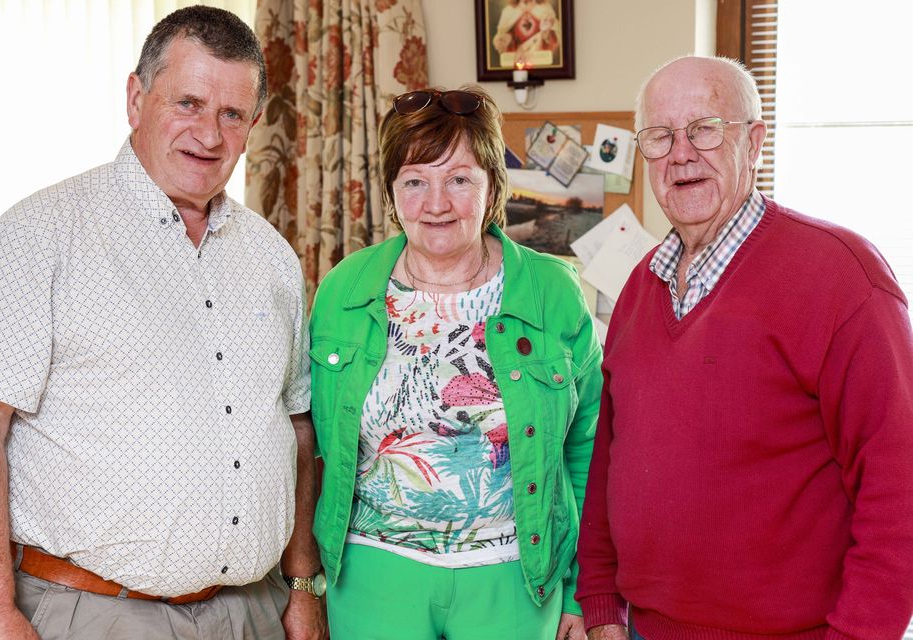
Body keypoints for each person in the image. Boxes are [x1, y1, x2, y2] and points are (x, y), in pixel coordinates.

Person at [0, 7, 325, 640]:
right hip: (91, 613)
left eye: (231, 114)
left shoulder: (273, 259)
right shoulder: (38, 236)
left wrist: (302, 586)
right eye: (187, 103)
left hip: (253, 613)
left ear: (253, 125)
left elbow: (295, 432)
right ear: (135, 97)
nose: (208, 134)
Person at [575, 56, 913, 640]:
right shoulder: (638, 286)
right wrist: (601, 603)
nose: (681, 153)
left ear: (754, 141)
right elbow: (609, 461)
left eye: (705, 128)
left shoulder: (840, 275)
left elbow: (900, 486)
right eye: (659, 136)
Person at [308, 86, 601, 640]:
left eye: (459, 179)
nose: (436, 202)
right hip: (373, 575)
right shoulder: (343, 290)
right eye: (415, 180)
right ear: (392, 193)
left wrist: (583, 590)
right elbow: (311, 446)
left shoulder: (551, 291)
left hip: (516, 578)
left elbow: (589, 447)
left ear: (492, 188)